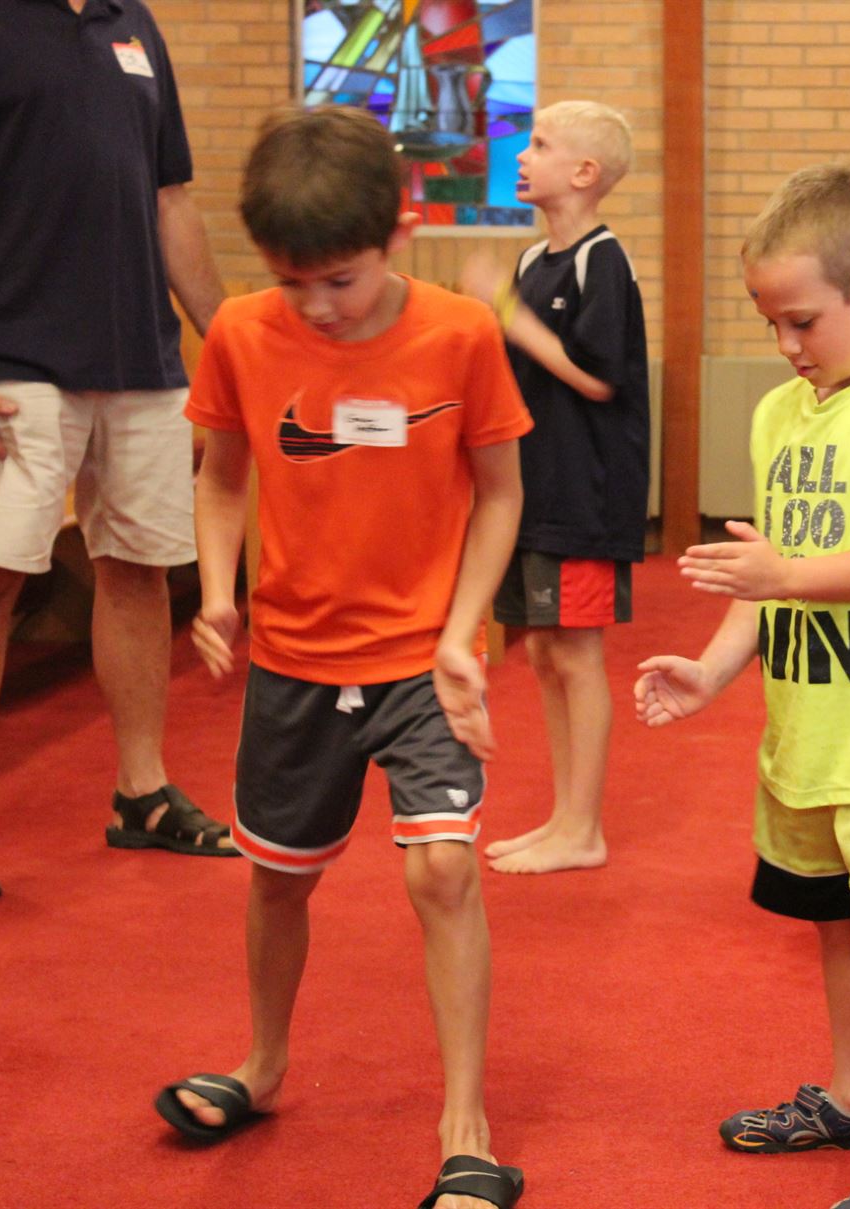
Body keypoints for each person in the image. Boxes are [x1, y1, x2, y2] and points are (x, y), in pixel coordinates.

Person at [154, 107, 532, 1209]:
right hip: (293, 659)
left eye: (341, 280)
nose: (318, 305)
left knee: (442, 869)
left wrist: (461, 631)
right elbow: (223, 476)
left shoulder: (461, 333)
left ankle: (465, 1122)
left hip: (421, 658)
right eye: (293, 281)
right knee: (278, 876)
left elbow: (500, 495)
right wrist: (215, 592)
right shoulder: (240, 332)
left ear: (398, 232)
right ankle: (263, 1065)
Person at [635, 163, 850, 1209]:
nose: (786, 344)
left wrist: (780, 574)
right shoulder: (782, 414)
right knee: (835, 924)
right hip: (807, 732)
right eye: (770, 323)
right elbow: (770, 573)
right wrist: (711, 668)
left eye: (802, 321)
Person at [0, 0, 231, 900]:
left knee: (140, 569)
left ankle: (142, 789)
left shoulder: (129, 19)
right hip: (7, 355)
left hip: (142, 355)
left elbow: (170, 201)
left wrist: (232, 349)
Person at [459, 101, 649, 876]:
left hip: (586, 491)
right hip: (534, 487)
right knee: (542, 651)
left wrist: (504, 310)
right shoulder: (536, 259)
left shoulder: (602, 259)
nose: (521, 154)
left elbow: (598, 376)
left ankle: (584, 827)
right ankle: (565, 816)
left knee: (575, 653)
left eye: (538, 144)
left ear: (584, 173)